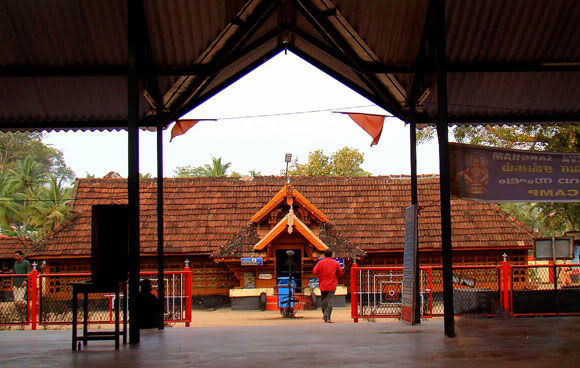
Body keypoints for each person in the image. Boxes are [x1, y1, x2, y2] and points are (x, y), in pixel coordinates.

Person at [313, 249, 343, 323]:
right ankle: (327, 316)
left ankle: (326, 317)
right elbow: (340, 273)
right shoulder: (335, 263)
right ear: (332, 255)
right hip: (332, 284)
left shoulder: (320, 263)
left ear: (324, 255)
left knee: (323, 301)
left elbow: (314, 272)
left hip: (322, 284)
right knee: (330, 301)